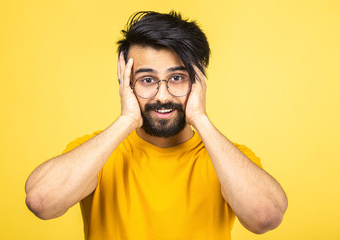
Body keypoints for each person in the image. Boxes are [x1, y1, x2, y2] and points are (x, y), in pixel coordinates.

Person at [25, 11, 288, 240]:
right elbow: (42, 202)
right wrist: (127, 120)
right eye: (147, 80)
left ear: (198, 81)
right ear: (126, 83)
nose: (163, 96)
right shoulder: (98, 154)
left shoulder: (229, 159)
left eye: (177, 77)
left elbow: (265, 217)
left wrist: (200, 117)